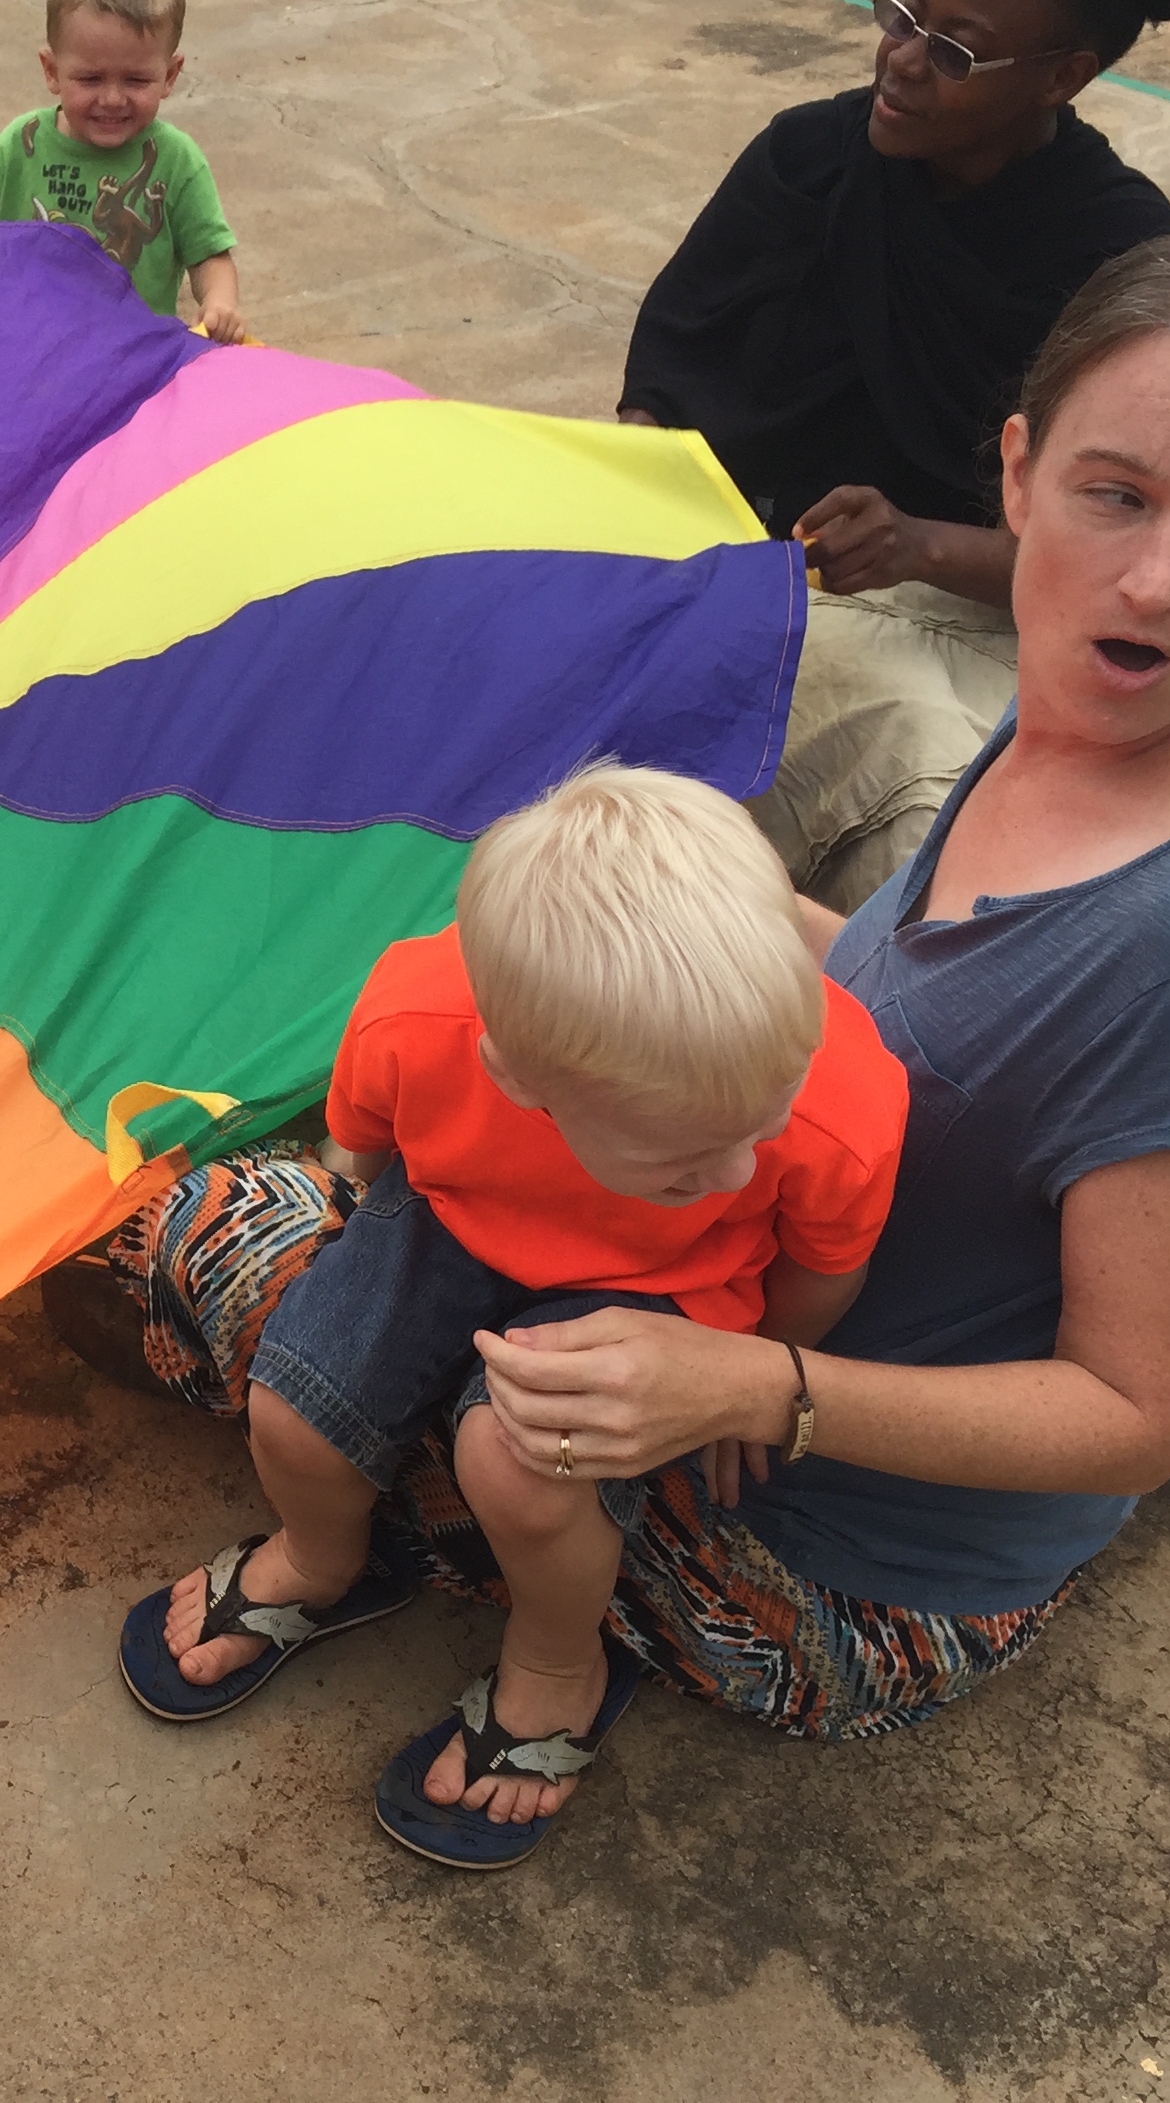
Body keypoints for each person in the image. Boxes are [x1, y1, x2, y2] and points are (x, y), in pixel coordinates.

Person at [77, 221, 1170, 1868]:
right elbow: (908, 998)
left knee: (210, 1248)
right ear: (1016, 470)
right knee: (359, 1254)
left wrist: (751, 1382)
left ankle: (546, 1644)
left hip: (838, 1547)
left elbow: (1135, 1415)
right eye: (1112, 494)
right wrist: (649, 929)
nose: (1155, 581)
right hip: (725, 1275)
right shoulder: (1079, 700)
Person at [116, 767, 905, 1868]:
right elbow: (363, 1147)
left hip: (670, 1285)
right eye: (688, 1161)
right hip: (456, 1214)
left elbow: (821, 1269)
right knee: (296, 1404)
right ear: (520, 1078)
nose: (741, 1169)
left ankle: (556, 1660)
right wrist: (359, 1265)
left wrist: (757, 1377)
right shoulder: (418, 1014)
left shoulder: (838, 1099)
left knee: (526, 1470)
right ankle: (322, 1556)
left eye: (765, 1124)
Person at [619, 0, 1170, 910]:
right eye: (904, 11)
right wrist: (644, 509)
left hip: (978, 625)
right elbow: (661, 393)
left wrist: (919, 545)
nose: (899, 59)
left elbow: (1110, 555)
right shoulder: (807, 160)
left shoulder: (1112, 253)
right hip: (737, 578)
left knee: (934, 810)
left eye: (954, 50)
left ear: (1062, 77)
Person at [0, 0, 244, 339]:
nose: (112, 99)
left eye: (136, 80)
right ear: (51, 71)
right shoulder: (21, 142)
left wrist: (219, 302)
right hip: (21, 340)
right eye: (90, 79)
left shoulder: (177, 161)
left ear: (170, 75)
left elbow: (209, 255)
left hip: (128, 354)